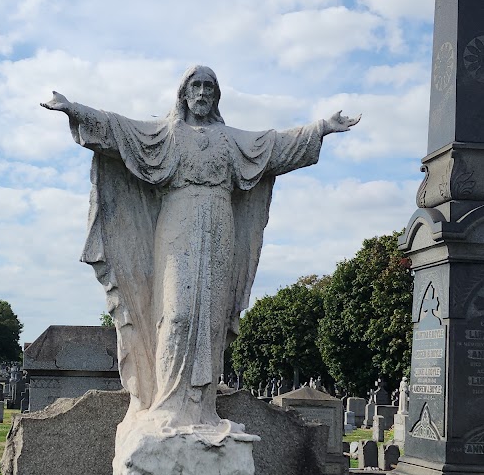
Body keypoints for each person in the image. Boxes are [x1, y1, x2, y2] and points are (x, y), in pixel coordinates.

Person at [43, 66, 358, 438]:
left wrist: (321, 127)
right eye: (197, 85)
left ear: (217, 95)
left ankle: (202, 409)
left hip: (221, 225)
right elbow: (117, 129)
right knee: (176, 315)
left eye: (210, 86)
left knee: (210, 316)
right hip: (178, 223)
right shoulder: (166, 133)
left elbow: (276, 145)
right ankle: (166, 404)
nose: (204, 92)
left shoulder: (231, 140)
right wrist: (73, 109)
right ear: (184, 92)